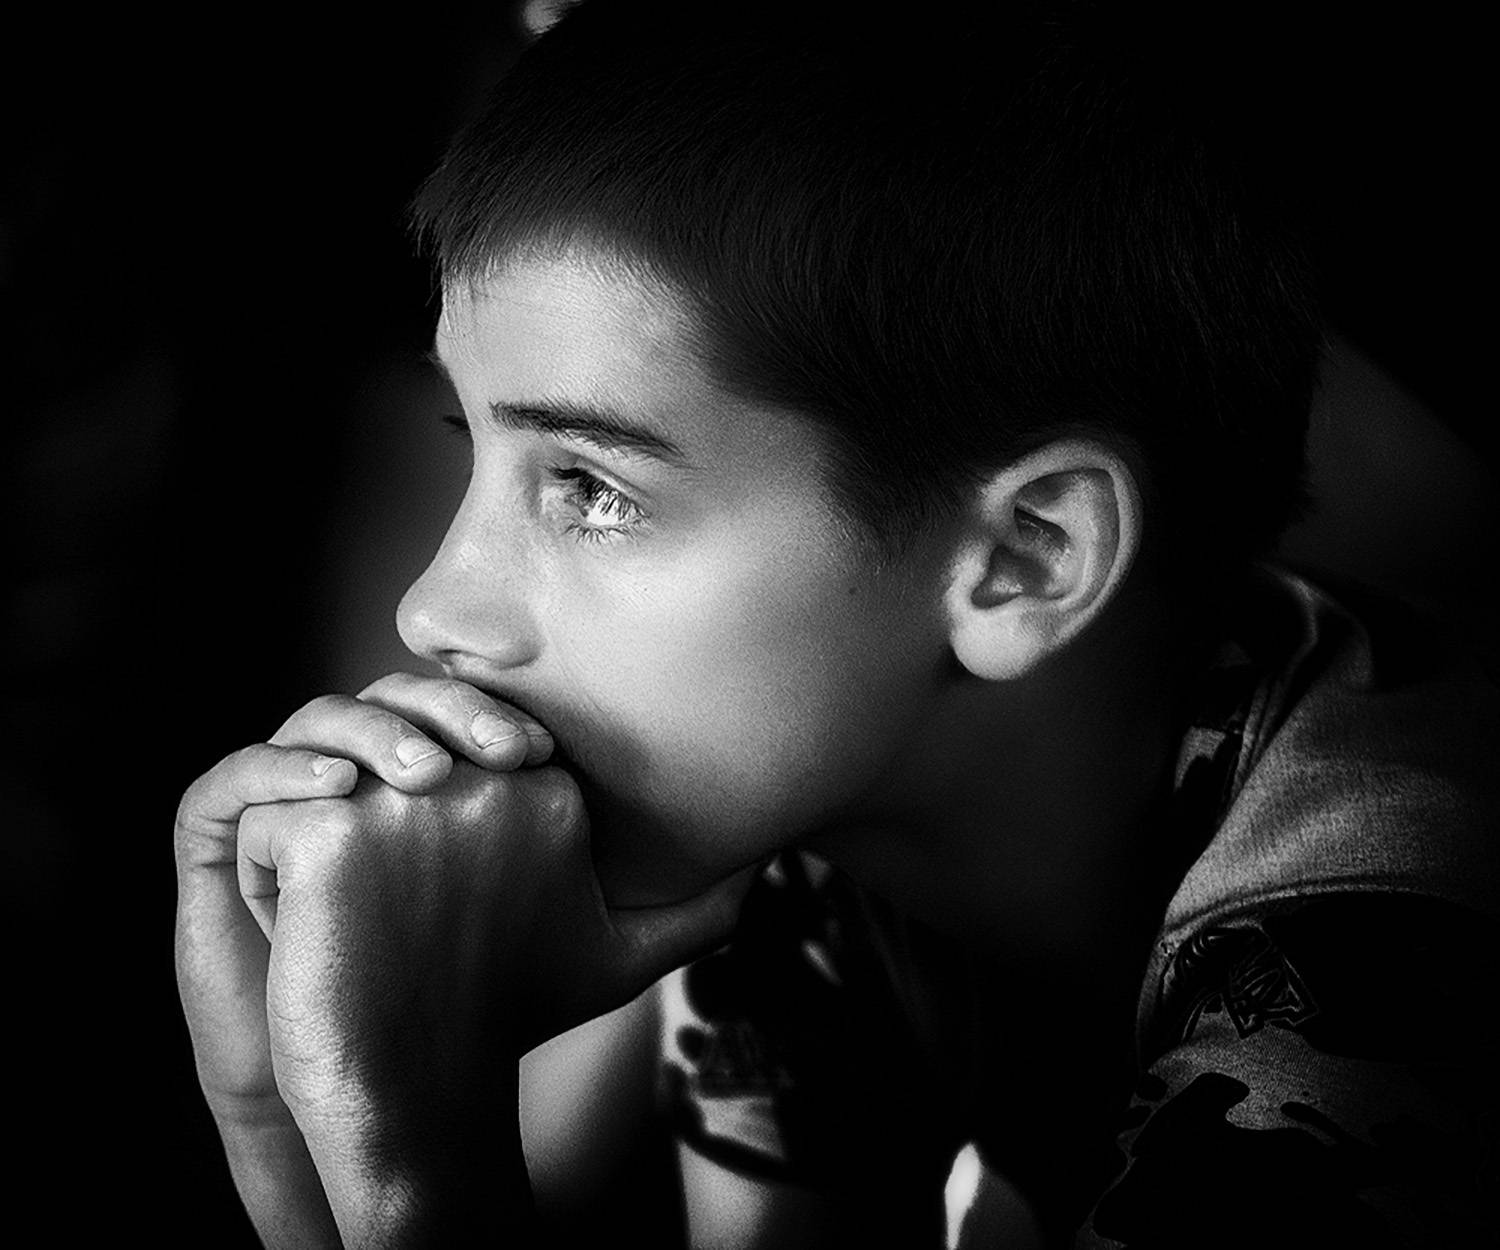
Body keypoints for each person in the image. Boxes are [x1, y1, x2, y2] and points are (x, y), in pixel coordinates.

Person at [172, 1, 1498, 1245]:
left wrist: (417, 1144)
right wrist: (281, 1107)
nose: (430, 609)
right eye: (479, 449)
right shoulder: (806, 848)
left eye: (593, 488)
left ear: (1024, 559)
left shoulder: (1385, 967)